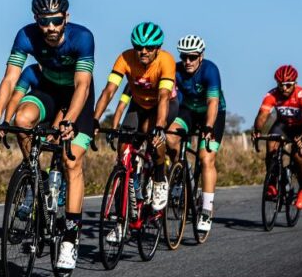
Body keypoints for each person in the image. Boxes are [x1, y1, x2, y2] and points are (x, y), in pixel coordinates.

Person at [0, 0, 95, 272]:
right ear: (36, 18)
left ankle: (70, 237)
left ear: (66, 17)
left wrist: (69, 119)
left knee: (71, 160)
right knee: (21, 121)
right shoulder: (25, 35)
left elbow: (82, 85)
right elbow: (10, 79)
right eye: (44, 21)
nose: (51, 27)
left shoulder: (82, 37)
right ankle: (37, 176)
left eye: (56, 20)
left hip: (77, 96)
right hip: (48, 90)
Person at [93, 22, 176, 219]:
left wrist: (160, 127)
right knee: (123, 151)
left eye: (149, 48)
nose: (143, 52)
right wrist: (94, 119)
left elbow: (164, 96)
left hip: (164, 105)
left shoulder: (166, 61)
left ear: (158, 48)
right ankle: (124, 212)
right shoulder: (125, 58)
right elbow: (109, 91)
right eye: (139, 47)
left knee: (155, 139)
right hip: (138, 105)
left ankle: (159, 179)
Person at [164, 35, 226, 232]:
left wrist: (208, 127)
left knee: (206, 158)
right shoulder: (176, 69)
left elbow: (213, 103)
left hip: (211, 113)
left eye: (192, 57)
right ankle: (182, 173)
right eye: (184, 57)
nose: (188, 61)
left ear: (201, 56)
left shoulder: (210, 70)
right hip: (188, 110)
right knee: (170, 137)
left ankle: (207, 210)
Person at [252, 65, 302, 210]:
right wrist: (256, 131)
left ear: (295, 83)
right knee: (271, 146)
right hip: (284, 125)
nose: (284, 88)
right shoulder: (272, 95)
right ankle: (272, 183)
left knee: (299, 155)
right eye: (281, 85)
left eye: (288, 85)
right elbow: (262, 116)